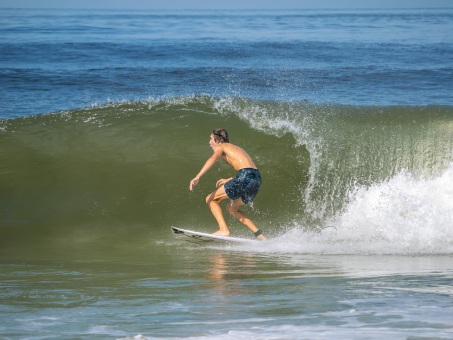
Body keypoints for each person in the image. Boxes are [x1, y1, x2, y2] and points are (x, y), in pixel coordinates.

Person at [189, 128, 266, 240]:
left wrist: (198, 176)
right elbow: (248, 169)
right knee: (231, 208)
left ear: (218, 140)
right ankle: (261, 236)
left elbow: (213, 158)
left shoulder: (221, 146)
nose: (209, 142)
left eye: (211, 139)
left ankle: (223, 230)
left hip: (244, 175)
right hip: (256, 178)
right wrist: (232, 178)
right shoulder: (236, 148)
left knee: (210, 199)